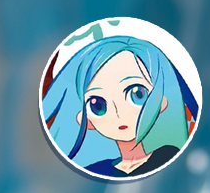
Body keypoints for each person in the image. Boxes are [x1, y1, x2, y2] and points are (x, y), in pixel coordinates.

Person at [41, 35, 195, 179]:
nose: (119, 113)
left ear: (161, 101)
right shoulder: (95, 171)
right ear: (86, 120)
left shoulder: (169, 156)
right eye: (98, 105)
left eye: (137, 94)